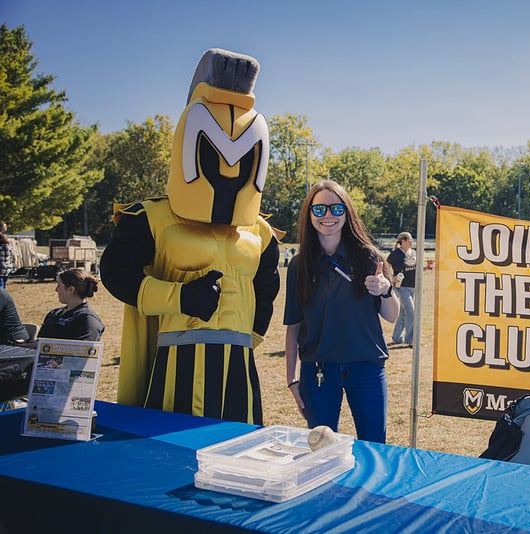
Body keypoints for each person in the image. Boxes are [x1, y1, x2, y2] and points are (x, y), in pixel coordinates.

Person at [99, 48, 281, 425]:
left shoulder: (260, 232)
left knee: (240, 459)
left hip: (239, 370)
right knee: (170, 460)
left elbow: (267, 288)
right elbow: (117, 274)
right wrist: (180, 297)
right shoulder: (151, 218)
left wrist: (251, 336)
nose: (229, 164)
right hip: (174, 368)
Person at [284, 180, 399, 443]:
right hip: (319, 371)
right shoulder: (299, 265)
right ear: (309, 214)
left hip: (366, 368)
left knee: (373, 446)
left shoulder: (369, 257)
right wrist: (292, 379)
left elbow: (392, 315)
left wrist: (385, 289)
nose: (328, 216)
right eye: (320, 209)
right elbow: (293, 326)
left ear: (347, 213)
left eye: (336, 209)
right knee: (319, 451)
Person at [36, 268, 104, 341]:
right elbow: (40, 341)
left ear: (71, 290)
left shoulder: (87, 320)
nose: (56, 290)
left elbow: (82, 349)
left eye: (59, 285)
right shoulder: (54, 313)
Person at [386, 231, 416, 346]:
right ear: (402, 241)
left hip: (413, 286)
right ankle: (410, 340)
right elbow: (386, 266)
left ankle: (397, 337)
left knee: (403, 313)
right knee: (411, 311)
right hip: (401, 287)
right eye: (409, 240)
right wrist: (391, 277)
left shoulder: (413, 252)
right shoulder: (395, 254)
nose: (412, 242)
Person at [0, 222, 14, 289]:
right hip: (7, 269)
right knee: (4, 287)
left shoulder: (1, 249)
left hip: (1, 270)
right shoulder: (9, 247)